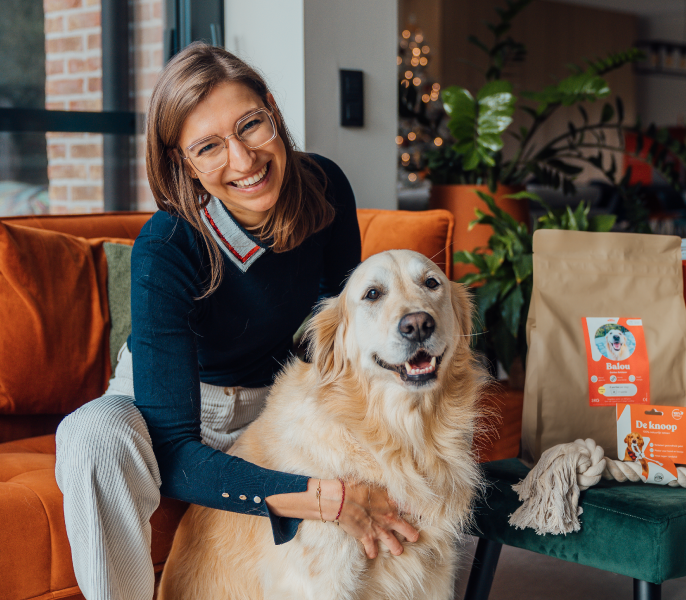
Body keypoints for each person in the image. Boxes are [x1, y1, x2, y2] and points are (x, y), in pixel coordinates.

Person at [54, 42, 418, 600]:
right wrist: (326, 497)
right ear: (185, 165)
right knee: (91, 436)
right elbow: (174, 452)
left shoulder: (325, 187)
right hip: (172, 405)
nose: (244, 161)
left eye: (251, 125)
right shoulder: (167, 246)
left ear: (272, 110)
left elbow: (340, 334)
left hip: (277, 396)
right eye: (209, 146)